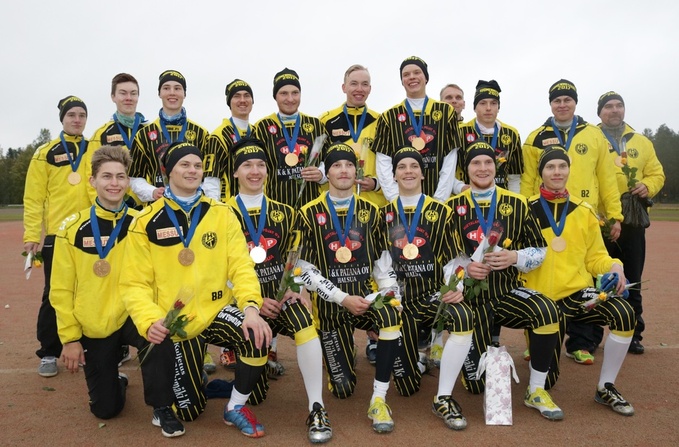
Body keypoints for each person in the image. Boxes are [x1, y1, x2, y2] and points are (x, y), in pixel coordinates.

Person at [119, 142, 272, 438]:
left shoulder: (222, 213)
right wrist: (150, 320)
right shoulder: (145, 221)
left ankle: (235, 407)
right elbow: (134, 283)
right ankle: (195, 377)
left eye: (198, 166)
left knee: (256, 335)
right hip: (177, 321)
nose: (192, 171)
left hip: (215, 310)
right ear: (168, 171)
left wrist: (251, 309)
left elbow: (241, 267)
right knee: (189, 410)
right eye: (184, 165)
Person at [49, 146, 185, 436]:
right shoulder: (71, 229)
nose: (114, 183)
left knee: (160, 335)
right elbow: (60, 289)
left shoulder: (142, 222)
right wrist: (70, 338)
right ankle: (117, 381)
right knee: (106, 409)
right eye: (107, 176)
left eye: (121, 176)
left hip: (135, 314)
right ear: (92, 181)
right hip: (96, 322)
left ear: (128, 182)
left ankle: (162, 407)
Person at [447, 141, 565, 421]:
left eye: (488, 162)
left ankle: (536, 390)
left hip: (506, 292)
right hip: (470, 301)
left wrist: (515, 257)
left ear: (496, 166)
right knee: (476, 385)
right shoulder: (450, 208)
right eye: (476, 163)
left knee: (547, 310)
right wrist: (466, 270)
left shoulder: (518, 203)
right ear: (466, 169)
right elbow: (444, 258)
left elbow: (540, 251)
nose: (483, 168)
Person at [225, 138, 332, 443]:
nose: (254, 171)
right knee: (257, 395)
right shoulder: (220, 213)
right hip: (242, 304)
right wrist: (253, 301)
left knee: (305, 321)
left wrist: (297, 287)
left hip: (280, 297)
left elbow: (297, 258)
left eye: (260, 165)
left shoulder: (285, 212)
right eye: (247, 165)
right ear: (235, 172)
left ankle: (317, 407)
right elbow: (216, 268)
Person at [296, 143, 403, 434]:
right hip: (331, 305)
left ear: (356, 172)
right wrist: (342, 298)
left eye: (348, 165)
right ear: (327, 172)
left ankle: (378, 400)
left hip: (366, 299)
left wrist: (390, 292)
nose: (343, 171)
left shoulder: (372, 210)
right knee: (342, 389)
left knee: (391, 314)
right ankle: (343, 352)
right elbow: (304, 270)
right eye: (336, 165)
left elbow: (382, 262)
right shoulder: (307, 213)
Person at [523, 145, 637, 416]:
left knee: (624, 313)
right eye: (550, 167)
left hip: (575, 294)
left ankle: (605, 386)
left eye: (562, 166)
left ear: (569, 170)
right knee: (548, 379)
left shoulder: (584, 211)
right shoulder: (525, 209)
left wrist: (615, 266)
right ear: (541, 173)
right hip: (539, 300)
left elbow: (595, 257)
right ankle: (537, 384)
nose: (557, 172)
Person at [521, 79, 624, 366]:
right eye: (557, 100)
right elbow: (529, 179)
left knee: (585, 277)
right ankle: (533, 341)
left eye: (567, 99)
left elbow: (607, 177)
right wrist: (525, 213)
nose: (562, 104)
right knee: (537, 276)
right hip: (544, 214)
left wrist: (614, 214)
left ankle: (581, 343)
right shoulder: (536, 137)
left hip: (583, 216)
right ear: (551, 104)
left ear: (575, 103)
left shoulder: (594, 135)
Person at [380, 147, 474, 429]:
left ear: (423, 173)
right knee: (407, 387)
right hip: (399, 303)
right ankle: (420, 355)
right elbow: (379, 262)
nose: (408, 171)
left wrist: (455, 286)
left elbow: (455, 259)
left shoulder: (441, 212)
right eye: (402, 167)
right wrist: (390, 294)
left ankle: (443, 397)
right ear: (394, 175)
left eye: (414, 166)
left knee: (463, 315)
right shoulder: (382, 214)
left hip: (431, 297)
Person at [567, 92, 666, 356]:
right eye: (608, 106)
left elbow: (657, 173)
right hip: (596, 220)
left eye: (618, 105)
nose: (614, 110)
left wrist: (648, 185)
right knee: (591, 280)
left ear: (624, 109)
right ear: (599, 112)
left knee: (631, 278)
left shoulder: (642, 142)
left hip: (631, 220)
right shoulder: (588, 137)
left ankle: (630, 334)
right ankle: (586, 338)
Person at [23, 95, 93, 377]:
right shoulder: (45, 153)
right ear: (62, 118)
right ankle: (49, 352)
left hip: (91, 234)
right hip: (58, 237)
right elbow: (34, 198)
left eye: (81, 115)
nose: (77, 119)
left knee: (89, 293)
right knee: (54, 294)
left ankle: (86, 347)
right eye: (71, 115)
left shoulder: (95, 149)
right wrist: (32, 234)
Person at [373, 56, 464, 203]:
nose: (412, 77)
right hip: (401, 201)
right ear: (402, 81)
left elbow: (450, 160)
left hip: (437, 199)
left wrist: (439, 200)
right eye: (406, 74)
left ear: (426, 77)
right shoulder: (388, 117)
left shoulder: (446, 112)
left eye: (417, 72)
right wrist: (396, 199)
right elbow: (383, 164)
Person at [128, 70, 212, 204]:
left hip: (194, 205)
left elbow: (209, 177)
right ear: (159, 93)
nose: (172, 93)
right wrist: (152, 192)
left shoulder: (202, 134)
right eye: (166, 88)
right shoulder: (143, 134)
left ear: (184, 94)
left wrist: (199, 194)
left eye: (177, 88)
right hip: (158, 205)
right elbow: (134, 177)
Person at [253, 68, 327, 208]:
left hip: (311, 208)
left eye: (295, 93)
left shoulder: (316, 125)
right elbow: (253, 165)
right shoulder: (262, 127)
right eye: (284, 93)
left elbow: (329, 158)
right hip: (275, 208)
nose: (290, 99)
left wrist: (321, 174)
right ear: (275, 96)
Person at [320, 64, 386, 207]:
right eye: (354, 84)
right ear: (344, 87)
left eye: (364, 84)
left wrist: (376, 184)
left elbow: (390, 164)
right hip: (336, 203)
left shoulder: (381, 121)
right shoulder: (325, 121)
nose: (359, 89)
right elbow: (319, 164)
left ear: (370, 89)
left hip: (373, 204)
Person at [88, 73, 146, 209]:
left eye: (133, 93)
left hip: (147, 207)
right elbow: (90, 175)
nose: (128, 98)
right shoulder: (101, 134)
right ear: (113, 97)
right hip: (112, 208)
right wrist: (104, 208)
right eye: (123, 93)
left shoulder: (150, 131)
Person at [458, 80, 523, 193]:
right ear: (474, 107)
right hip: (469, 196)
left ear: (498, 107)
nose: (488, 108)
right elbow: (450, 170)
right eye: (483, 103)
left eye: (493, 103)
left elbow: (514, 176)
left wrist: (513, 198)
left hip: (501, 198)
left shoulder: (512, 134)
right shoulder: (460, 132)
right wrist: (460, 188)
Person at [204, 78, 255, 202]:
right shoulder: (218, 136)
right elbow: (211, 181)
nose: (242, 100)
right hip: (228, 207)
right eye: (237, 96)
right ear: (229, 102)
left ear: (252, 101)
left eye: (246, 95)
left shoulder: (256, 132)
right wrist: (216, 209)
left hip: (256, 205)